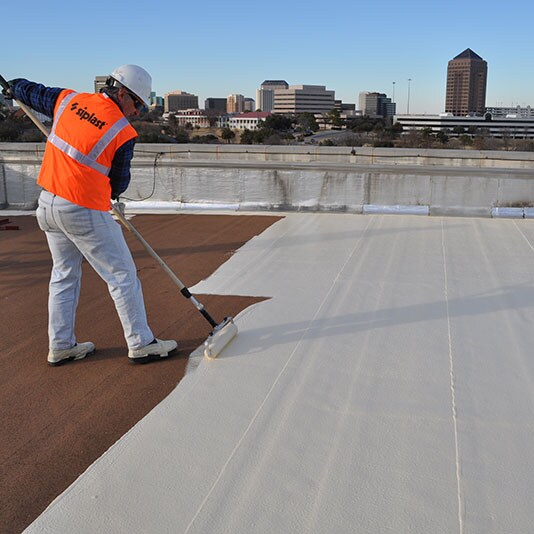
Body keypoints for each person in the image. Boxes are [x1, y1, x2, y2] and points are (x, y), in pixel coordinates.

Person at [3, 65, 177, 365]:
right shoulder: (122, 132)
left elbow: (32, 92)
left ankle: (61, 345)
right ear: (121, 93)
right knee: (122, 276)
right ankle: (141, 342)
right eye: (136, 103)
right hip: (82, 209)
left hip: (47, 205)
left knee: (63, 276)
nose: (136, 112)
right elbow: (117, 185)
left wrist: (12, 88)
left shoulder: (69, 101)